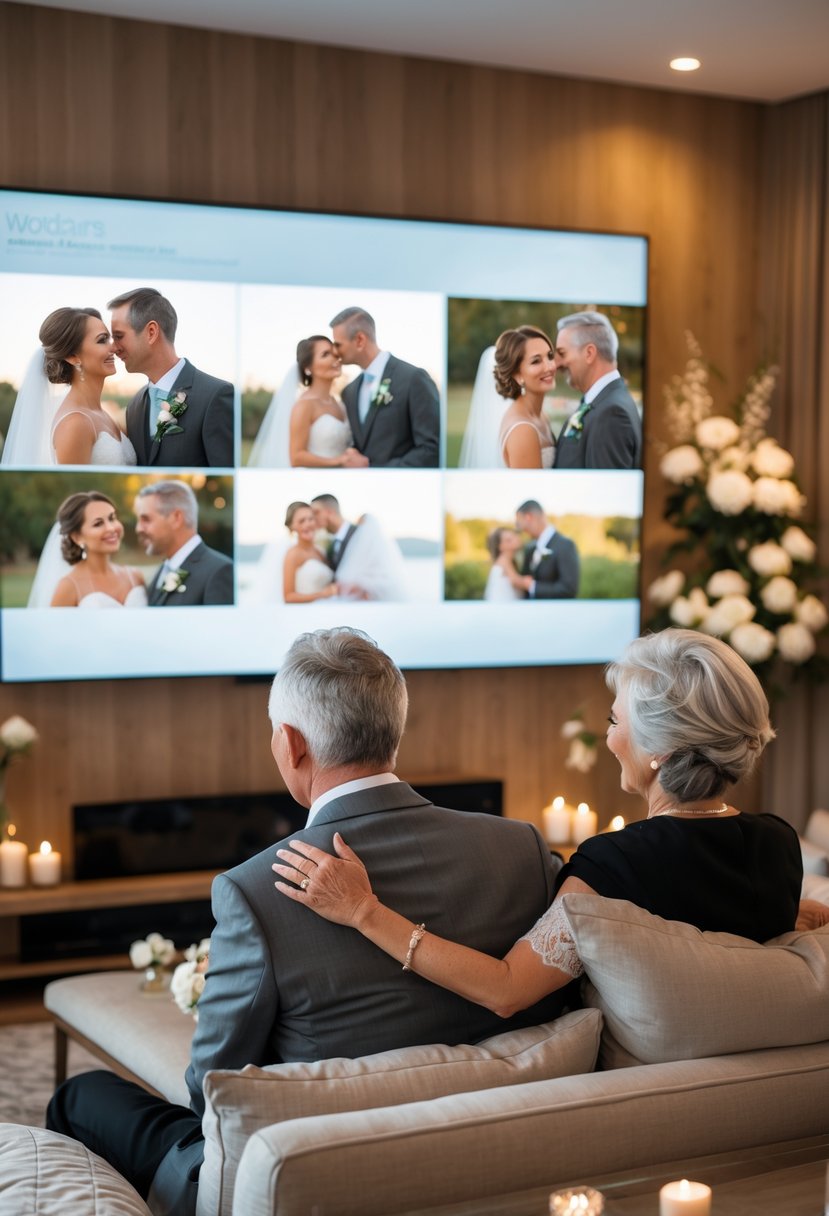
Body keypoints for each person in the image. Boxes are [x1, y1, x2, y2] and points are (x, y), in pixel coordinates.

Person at [47, 627, 565, 1215]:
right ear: (393, 730)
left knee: (81, 1097)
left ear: (289, 744)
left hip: (314, 1171)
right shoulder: (520, 849)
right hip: (498, 1157)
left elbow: (211, 1089)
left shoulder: (256, 891)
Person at [273, 629, 804, 1020]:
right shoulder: (780, 845)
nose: (610, 737)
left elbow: (506, 989)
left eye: (616, 721)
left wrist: (365, 911)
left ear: (661, 750)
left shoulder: (616, 865)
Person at [109, 287, 234, 467]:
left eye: (119, 336)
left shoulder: (215, 395)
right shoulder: (134, 406)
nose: (113, 348)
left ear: (151, 332)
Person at [2, 308, 137, 467]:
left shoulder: (103, 414)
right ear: (73, 356)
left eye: (110, 339)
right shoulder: (75, 423)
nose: (114, 348)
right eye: (102, 340)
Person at [331, 306, 440, 467]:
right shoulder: (349, 392)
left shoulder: (413, 379)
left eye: (338, 344)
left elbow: (431, 449)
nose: (334, 351)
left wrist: (374, 469)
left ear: (360, 340)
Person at [247, 335, 357, 467]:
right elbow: (296, 458)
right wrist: (339, 461)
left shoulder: (339, 403)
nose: (336, 359)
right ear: (308, 367)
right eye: (325, 354)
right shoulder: (304, 405)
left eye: (335, 354)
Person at [553, 311, 642, 470]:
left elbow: (605, 490)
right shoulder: (601, 401)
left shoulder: (612, 414)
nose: (557, 364)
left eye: (562, 353)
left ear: (589, 353)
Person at [29, 492, 146, 608]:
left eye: (112, 518)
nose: (111, 528)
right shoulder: (69, 586)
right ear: (77, 537)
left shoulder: (135, 577)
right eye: (98, 524)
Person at [135, 480, 233, 606]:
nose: (138, 528)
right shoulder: (164, 568)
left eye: (146, 519)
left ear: (176, 518)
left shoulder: (219, 571)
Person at [311, 492, 408, 600]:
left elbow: (385, 575)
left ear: (329, 511)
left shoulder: (363, 535)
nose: (313, 519)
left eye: (316, 513)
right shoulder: (329, 544)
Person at [514, 499, 579, 600]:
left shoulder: (565, 545)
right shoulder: (530, 549)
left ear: (528, 517)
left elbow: (568, 590)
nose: (520, 529)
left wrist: (532, 586)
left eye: (519, 523)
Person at [281, 500, 341, 603]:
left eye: (311, 519)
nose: (308, 524)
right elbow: (288, 597)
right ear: (292, 527)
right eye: (302, 521)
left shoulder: (320, 552)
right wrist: (322, 595)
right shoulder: (293, 554)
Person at [483, 527, 524, 602]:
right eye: (509, 540)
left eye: (514, 536)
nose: (516, 539)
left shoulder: (509, 560)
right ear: (500, 547)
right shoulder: (503, 560)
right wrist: (529, 582)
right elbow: (515, 581)